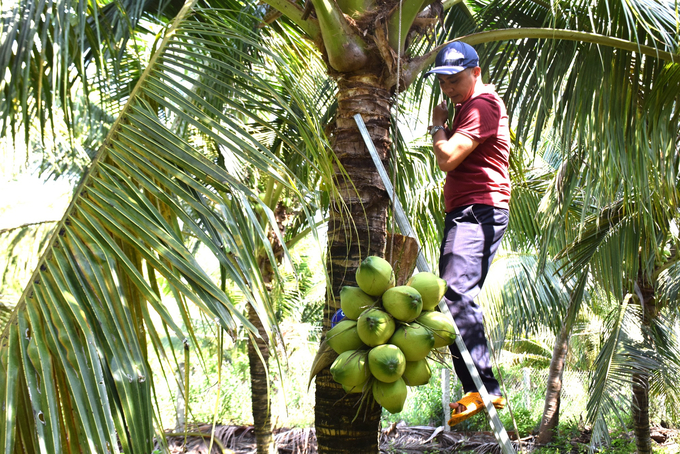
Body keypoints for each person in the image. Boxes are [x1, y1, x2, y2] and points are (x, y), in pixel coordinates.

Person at [424, 41, 511, 426]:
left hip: (479, 209)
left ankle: (486, 388)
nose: (449, 90)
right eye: (443, 83)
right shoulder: (468, 106)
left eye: (455, 81)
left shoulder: (481, 104)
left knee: (456, 291)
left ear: (476, 73)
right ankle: (476, 388)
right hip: (467, 210)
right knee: (452, 297)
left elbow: (446, 159)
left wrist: (437, 125)